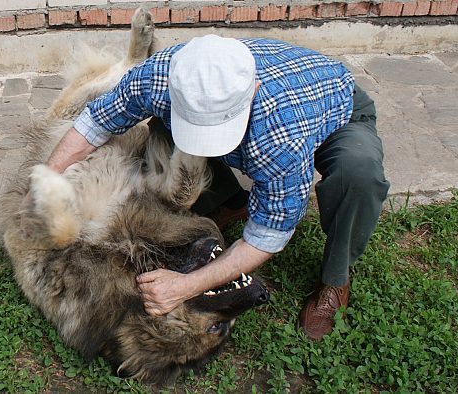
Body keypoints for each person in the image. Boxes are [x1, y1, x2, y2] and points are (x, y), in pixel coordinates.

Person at [45, 35, 390, 341]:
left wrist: (185, 286)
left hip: (335, 113)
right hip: (266, 114)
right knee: (164, 129)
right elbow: (95, 122)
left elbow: (268, 234)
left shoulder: (281, 134)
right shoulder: (161, 75)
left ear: (251, 91)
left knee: (358, 174)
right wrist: (46, 180)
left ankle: (335, 278)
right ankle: (232, 201)